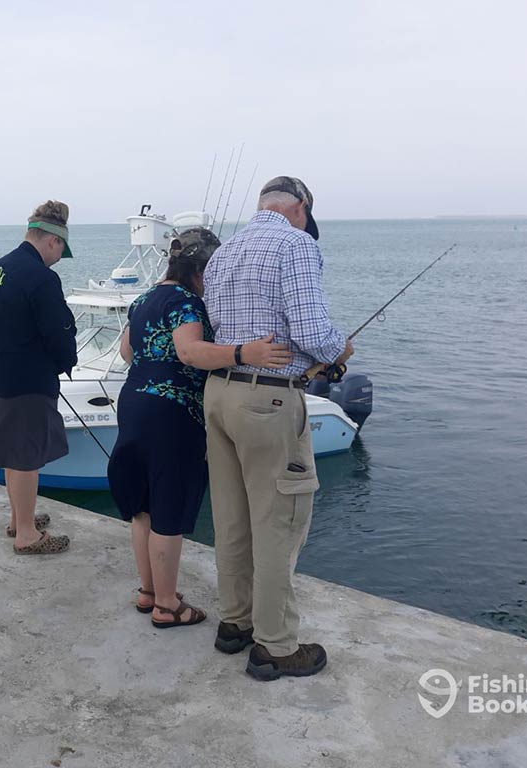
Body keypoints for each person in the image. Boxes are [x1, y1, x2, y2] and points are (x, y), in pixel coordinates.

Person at [203, 176, 354, 681]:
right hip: (267, 399)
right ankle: (275, 646)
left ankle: (234, 623)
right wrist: (338, 352)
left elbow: (214, 323)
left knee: (232, 518)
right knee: (279, 522)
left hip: (220, 393)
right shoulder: (296, 245)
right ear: (301, 208)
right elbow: (311, 330)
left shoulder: (226, 251)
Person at [108, 228, 292, 629]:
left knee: (142, 508)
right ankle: (168, 605)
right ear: (200, 269)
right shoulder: (187, 303)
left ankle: (148, 592)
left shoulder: (144, 299)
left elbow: (126, 351)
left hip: (133, 403)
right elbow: (190, 352)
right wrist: (247, 353)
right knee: (169, 511)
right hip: (172, 414)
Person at [0, 201, 77, 555]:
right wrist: (68, 361)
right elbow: (59, 332)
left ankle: (18, 519)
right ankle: (26, 535)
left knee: (12, 451)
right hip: (26, 378)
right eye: (61, 250)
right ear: (52, 241)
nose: (58, 257)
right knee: (26, 457)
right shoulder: (42, 278)